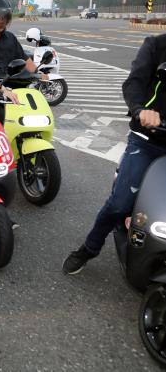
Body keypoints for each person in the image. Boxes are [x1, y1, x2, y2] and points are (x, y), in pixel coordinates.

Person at [63, 33, 166, 275]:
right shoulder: (156, 45)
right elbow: (134, 82)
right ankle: (89, 248)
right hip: (148, 139)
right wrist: (141, 110)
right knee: (120, 204)